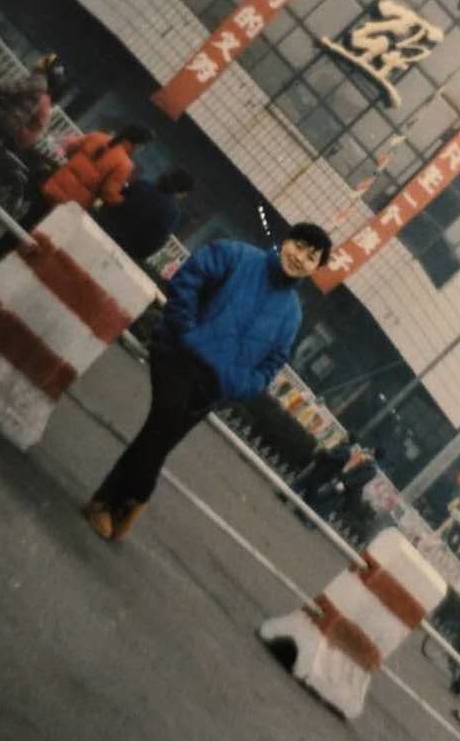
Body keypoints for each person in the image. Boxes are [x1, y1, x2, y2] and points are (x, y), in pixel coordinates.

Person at [83, 222, 332, 541]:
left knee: (158, 439)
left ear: (315, 269)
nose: (300, 257)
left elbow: (274, 361)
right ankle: (135, 498)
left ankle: (106, 503)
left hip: (213, 387)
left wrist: (241, 384)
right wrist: (186, 331)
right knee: (160, 430)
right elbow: (190, 278)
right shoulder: (238, 255)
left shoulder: (292, 313)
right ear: (286, 241)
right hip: (177, 357)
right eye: (299, 246)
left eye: (311, 257)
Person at [0, 122, 153, 269]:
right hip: (68, 205)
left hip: (53, 186)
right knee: (39, 239)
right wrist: (122, 201)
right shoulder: (124, 164)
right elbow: (108, 192)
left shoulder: (97, 136)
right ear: (138, 144)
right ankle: (6, 268)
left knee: (24, 224)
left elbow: (71, 148)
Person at [94, 168, 194, 262]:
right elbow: (155, 243)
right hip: (124, 253)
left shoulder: (141, 185)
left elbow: (113, 202)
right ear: (182, 192)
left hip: (100, 230)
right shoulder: (172, 213)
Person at [0, 52, 67, 149]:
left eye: (44, 60)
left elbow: (11, 89)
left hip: (13, 133)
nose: (39, 60)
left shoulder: (39, 85)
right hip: (17, 134)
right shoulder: (44, 94)